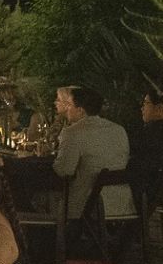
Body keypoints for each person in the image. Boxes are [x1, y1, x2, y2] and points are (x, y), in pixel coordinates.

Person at [52, 84, 130, 217]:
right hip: (122, 205)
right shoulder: (119, 130)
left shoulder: (73, 132)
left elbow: (64, 170)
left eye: (69, 105)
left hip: (89, 207)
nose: (67, 109)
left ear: (81, 110)